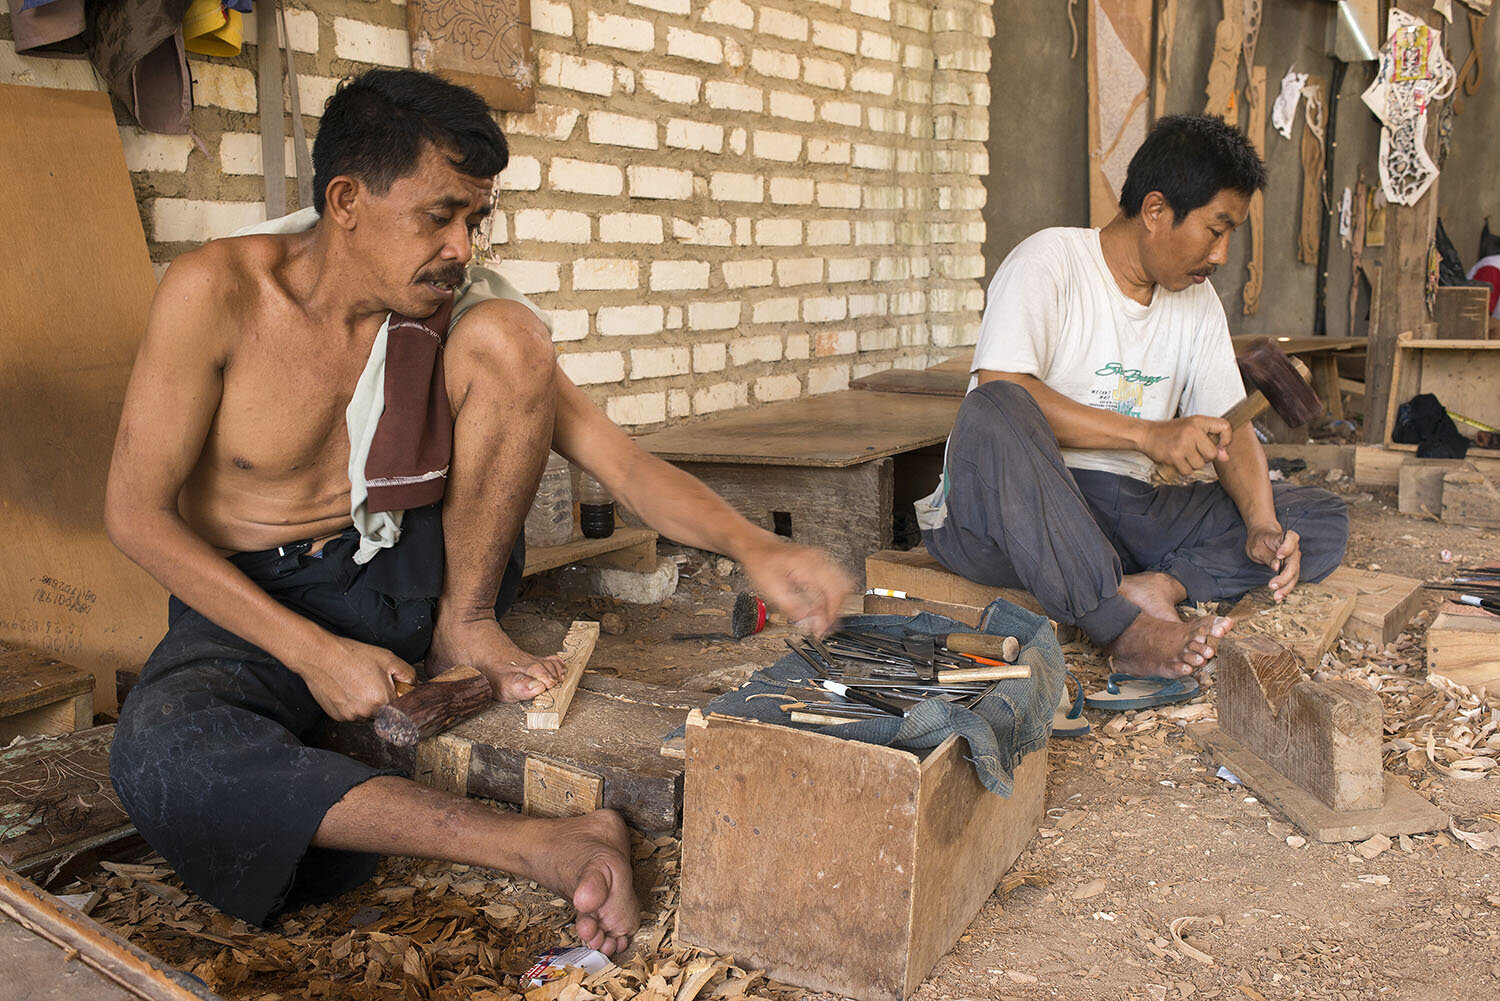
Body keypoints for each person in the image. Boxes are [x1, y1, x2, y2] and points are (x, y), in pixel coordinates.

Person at [104, 68, 851, 954]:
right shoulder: (216, 292)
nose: (462, 246)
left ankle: (467, 628)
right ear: (346, 200)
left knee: (513, 340)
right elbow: (134, 514)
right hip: (250, 599)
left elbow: (620, 461)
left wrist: (752, 545)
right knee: (160, 755)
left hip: (401, 578)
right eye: (439, 214)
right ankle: (541, 846)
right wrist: (312, 652)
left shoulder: (464, 307)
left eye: (476, 219)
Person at [915, 114, 1348, 681]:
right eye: (1215, 230)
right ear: (1155, 211)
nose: (1220, 256)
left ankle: (1156, 584)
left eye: (1229, 236)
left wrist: (1261, 524)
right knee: (994, 404)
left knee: (1318, 518)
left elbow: (1231, 430)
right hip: (1014, 508)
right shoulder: (1049, 263)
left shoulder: (1196, 303)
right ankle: (1126, 630)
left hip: (1124, 513)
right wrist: (1148, 434)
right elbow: (1003, 388)